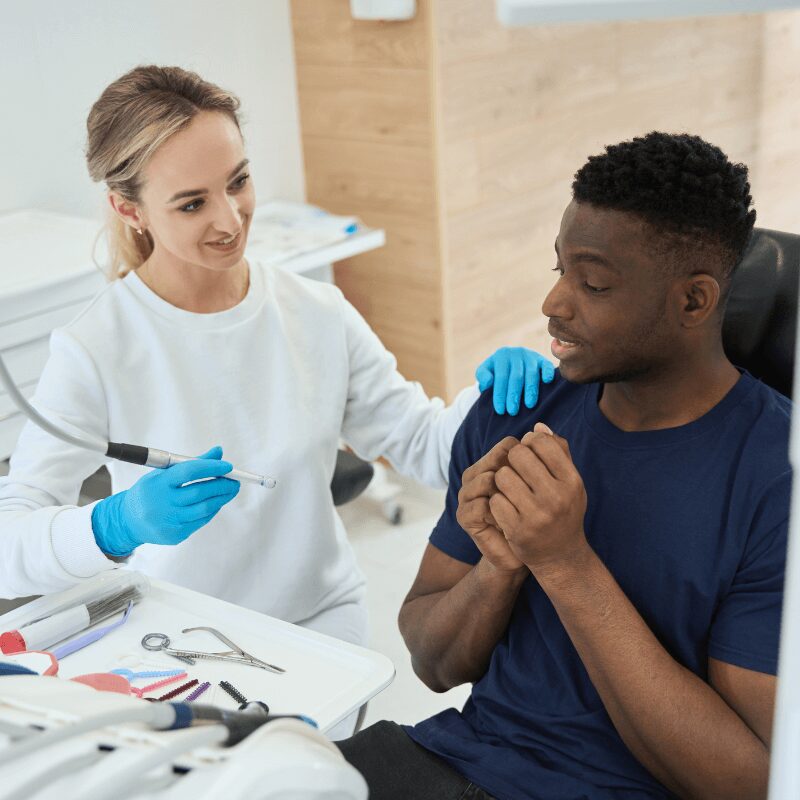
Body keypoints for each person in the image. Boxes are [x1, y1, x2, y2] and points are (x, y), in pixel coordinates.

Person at [0, 66, 553, 652]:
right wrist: (114, 525)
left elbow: (425, 446)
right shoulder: (95, 347)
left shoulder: (316, 311)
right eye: (192, 204)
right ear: (129, 209)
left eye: (237, 181)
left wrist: (491, 403)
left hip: (320, 621)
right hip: (178, 635)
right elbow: (10, 544)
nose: (230, 220)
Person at [337, 132, 791, 799]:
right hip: (452, 762)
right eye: (559, 268)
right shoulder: (520, 414)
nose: (553, 303)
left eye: (594, 283)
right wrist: (500, 564)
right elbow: (431, 662)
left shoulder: (777, 480)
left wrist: (565, 563)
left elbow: (748, 783)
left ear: (693, 301)